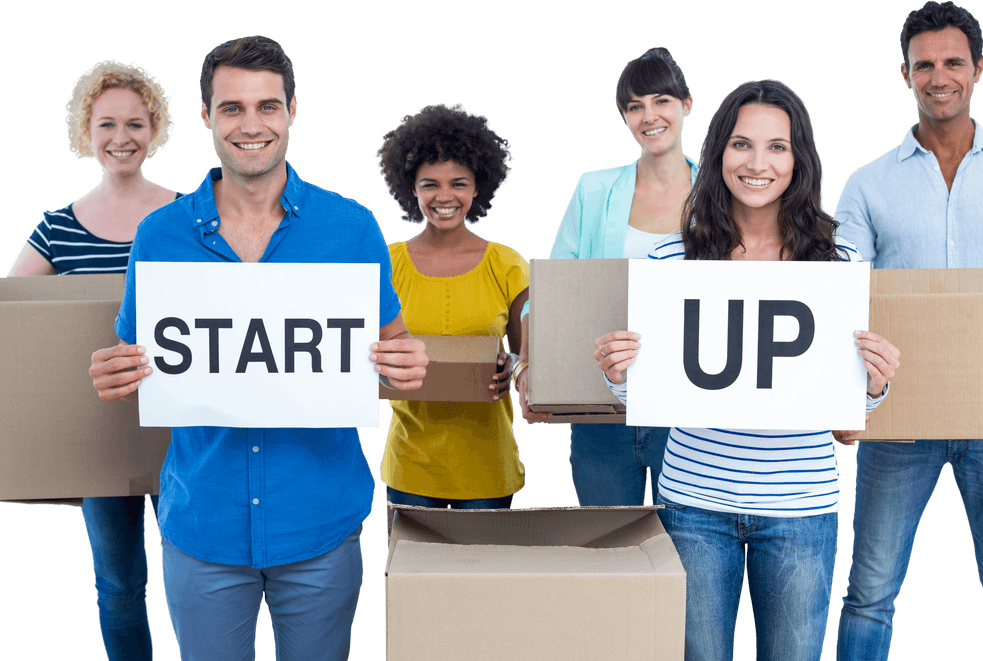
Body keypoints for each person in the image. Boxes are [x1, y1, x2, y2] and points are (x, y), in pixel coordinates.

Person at [87, 36, 427, 660]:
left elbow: (390, 345)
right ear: (205, 117)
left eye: (267, 107)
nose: (251, 125)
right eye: (232, 108)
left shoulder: (350, 228)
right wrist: (117, 369)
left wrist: (406, 362)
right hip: (202, 526)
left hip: (320, 525)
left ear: (292, 111)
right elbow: (136, 354)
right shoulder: (160, 235)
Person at [595, 80, 900, 661]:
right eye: (741, 144)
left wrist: (877, 383)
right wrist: (618, 371)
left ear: (799, 159)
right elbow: (647, 393)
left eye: (777, 147)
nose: (758, 164)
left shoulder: (840, 266)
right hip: (693, 506)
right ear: (718, 154)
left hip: (799, 509)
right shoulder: (669, 261)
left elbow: (848, 412)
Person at [832, 4, 983, 660]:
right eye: (924, 65)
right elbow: (836, 300)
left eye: (952, 63)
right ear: (904, 76)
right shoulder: (867, 184)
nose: (938, 76)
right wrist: (838, 397)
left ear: (977, 71)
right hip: (898, 417)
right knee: (869, 592)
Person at [7, 59, 177, 661]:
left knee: (200, 581)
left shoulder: (187, 217)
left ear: (154, 128)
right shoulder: (57, 228)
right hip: (101, 435)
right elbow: (14, 320)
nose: (122, 137)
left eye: (135, 122)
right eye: (107, 123)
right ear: (86, 129)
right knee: (119, 585)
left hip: (185, 430)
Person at [517, 46, 696, 506]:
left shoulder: (719, 195)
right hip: (600, 407)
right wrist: (530, 368)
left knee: (683, 554)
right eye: (635, 106)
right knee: (607, 547)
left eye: (661, 101)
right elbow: (552, 291)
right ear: (624, 117)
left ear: (686, 105)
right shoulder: (594, 190)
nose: (649, 116)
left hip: (688, 410)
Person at [375, 103, 527, 509]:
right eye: (430, 184)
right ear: (412, 188)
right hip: (411, 465)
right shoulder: (386, 264)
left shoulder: (507, 265)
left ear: (478, 187)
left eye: (458, 183)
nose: (445, 197)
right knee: (409, 574)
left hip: (486, 470)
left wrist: (510, 365)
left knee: (481, 574)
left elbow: (531, 357)